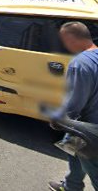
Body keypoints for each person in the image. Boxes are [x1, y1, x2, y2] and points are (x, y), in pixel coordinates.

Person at [49, 22, 98, 191]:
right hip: (87, 131)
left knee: (93, 168)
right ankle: (71, 186)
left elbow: (73, 104)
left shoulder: (80, 63)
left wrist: (58, 120)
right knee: (75, 153)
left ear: (71, 38)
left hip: (89, 132)